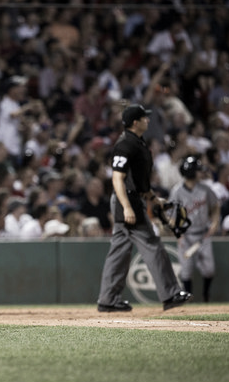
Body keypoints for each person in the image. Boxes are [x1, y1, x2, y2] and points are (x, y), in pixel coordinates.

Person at [97, 104, 193, 312]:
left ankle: (108, 299)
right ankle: (171, 294)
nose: (148, 120)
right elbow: (117, 179)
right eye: (144, 118)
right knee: (152, 245)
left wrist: (152, 198)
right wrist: (127, 207)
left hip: (134, 198)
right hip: (127, 200)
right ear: (135, 122)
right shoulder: (124, 145)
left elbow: (139, 181)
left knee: (119, 251)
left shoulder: (137, 143)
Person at [169, 155, 220, 302]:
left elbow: (215, 205)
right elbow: (172, 216)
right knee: (186, 271)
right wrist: (178, 234)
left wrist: (215, 222)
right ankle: (189, 299)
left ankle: (205, 296)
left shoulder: (205, 189)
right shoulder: (177, 191)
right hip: (186, 235)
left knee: (209, 270)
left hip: (203, 234)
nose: (201, 173)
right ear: (191, 172)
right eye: (198, 170)